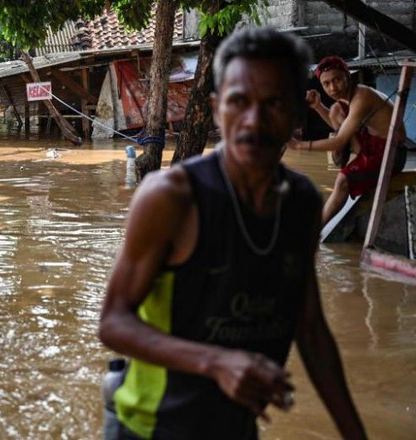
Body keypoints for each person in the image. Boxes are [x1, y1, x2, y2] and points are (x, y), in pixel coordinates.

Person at [98, 27, 367, 440]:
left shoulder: (300, 203)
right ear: (215, 108)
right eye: (238, 102)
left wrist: (355, 432)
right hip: (151, 427)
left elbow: (309, 326)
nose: (253, 122)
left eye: (273, 104)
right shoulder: (170, 198)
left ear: (298, 115)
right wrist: (216, 362)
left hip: (236, 428)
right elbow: (114, 322)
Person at [288, 55, 407, 226]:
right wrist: (318, 107)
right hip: (370, 145)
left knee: (342, 180)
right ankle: (356, 159)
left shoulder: (362, 97)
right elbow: (342, 129)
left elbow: (340, 140)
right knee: (335, 110)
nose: (332, 87)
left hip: (392, 153)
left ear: (348, 77)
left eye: (337, 80)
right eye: (326, 84)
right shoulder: (345, 101)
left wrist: (299, 145)